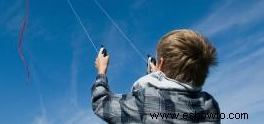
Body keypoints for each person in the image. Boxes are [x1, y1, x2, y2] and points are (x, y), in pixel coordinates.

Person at [91, 29, 220, 124]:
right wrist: (157, 76)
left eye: (158, 61)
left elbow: (101, 104)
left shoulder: (147, 99)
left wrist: (101, 70)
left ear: (162, 64)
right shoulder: (210, 105)